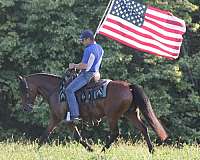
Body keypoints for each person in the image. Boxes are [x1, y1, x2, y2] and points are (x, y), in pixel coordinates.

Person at [65, 29, 104, 123]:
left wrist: (73, 65)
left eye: (83, 40)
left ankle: (74, 115)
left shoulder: (89, 49)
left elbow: (85, 66)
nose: (82, 42)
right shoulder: (100, 48)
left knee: (69, 90)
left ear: (88, 39)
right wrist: (78, 66)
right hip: (97, 74)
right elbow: (90, 63)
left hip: (88, 75)